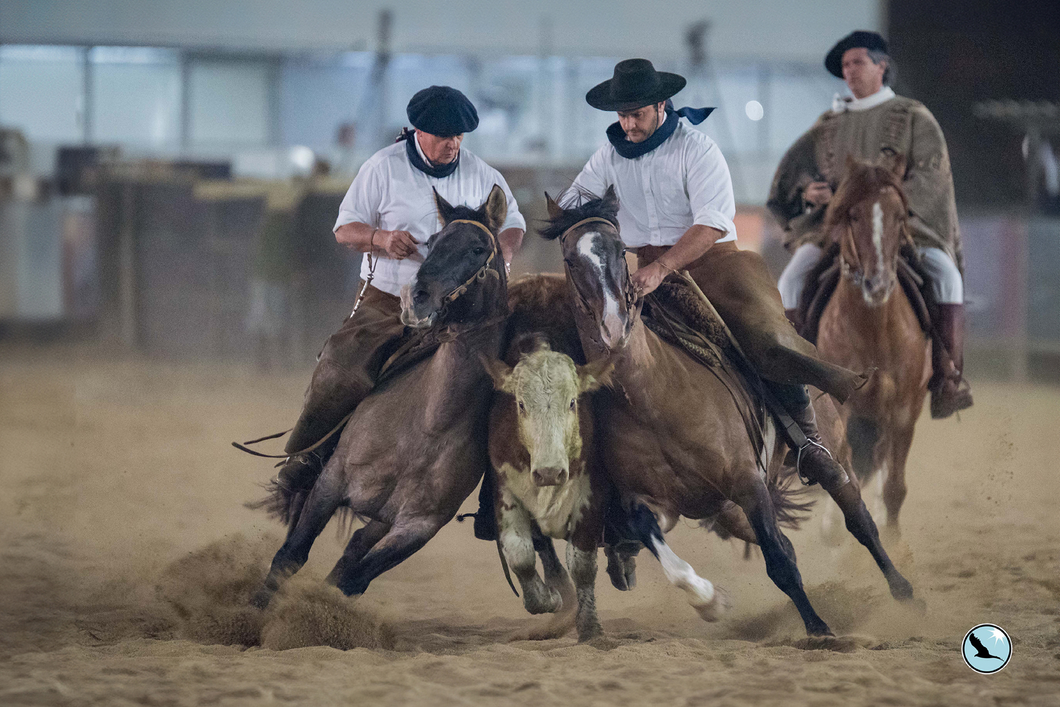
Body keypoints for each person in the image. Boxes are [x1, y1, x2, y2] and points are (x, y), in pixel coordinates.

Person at [568, 58, 862, 492]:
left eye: (638, 113)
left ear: (662, 104)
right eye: (622, 114)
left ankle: (808, 440)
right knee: (580, 344)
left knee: (761, 335)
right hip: (641, 271)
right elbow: (574, 203)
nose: (628, 123)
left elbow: (711, 224)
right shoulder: (607, 157)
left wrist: (663, 267)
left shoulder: (696, 148)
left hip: (712, 264)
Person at [274, 85, 526, 494]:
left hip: (461, 310)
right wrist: (381, 238)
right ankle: (304, 456)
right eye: (445, 136)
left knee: (512, 383)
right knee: (344, 364)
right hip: (391, 300)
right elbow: (344, 229)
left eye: (460, 136)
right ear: (416, 131)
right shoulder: (382, 168)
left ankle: (500, 497)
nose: (454, 144)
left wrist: (503, 254)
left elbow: (513, 222)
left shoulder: (482, 175)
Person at [768, 30, 972, 419]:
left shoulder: (914, 117)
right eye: (844, 66)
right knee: (791, 280)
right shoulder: (827, 124)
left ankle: (947, 377)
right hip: (838, 231)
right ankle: (793, 380)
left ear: (882, 66)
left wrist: (879, 204)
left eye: (857, 62)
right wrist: (808, 190)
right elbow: (793, 176)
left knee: (948, 276)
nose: (849, 71)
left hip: (902, 228)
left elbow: (932, 176)